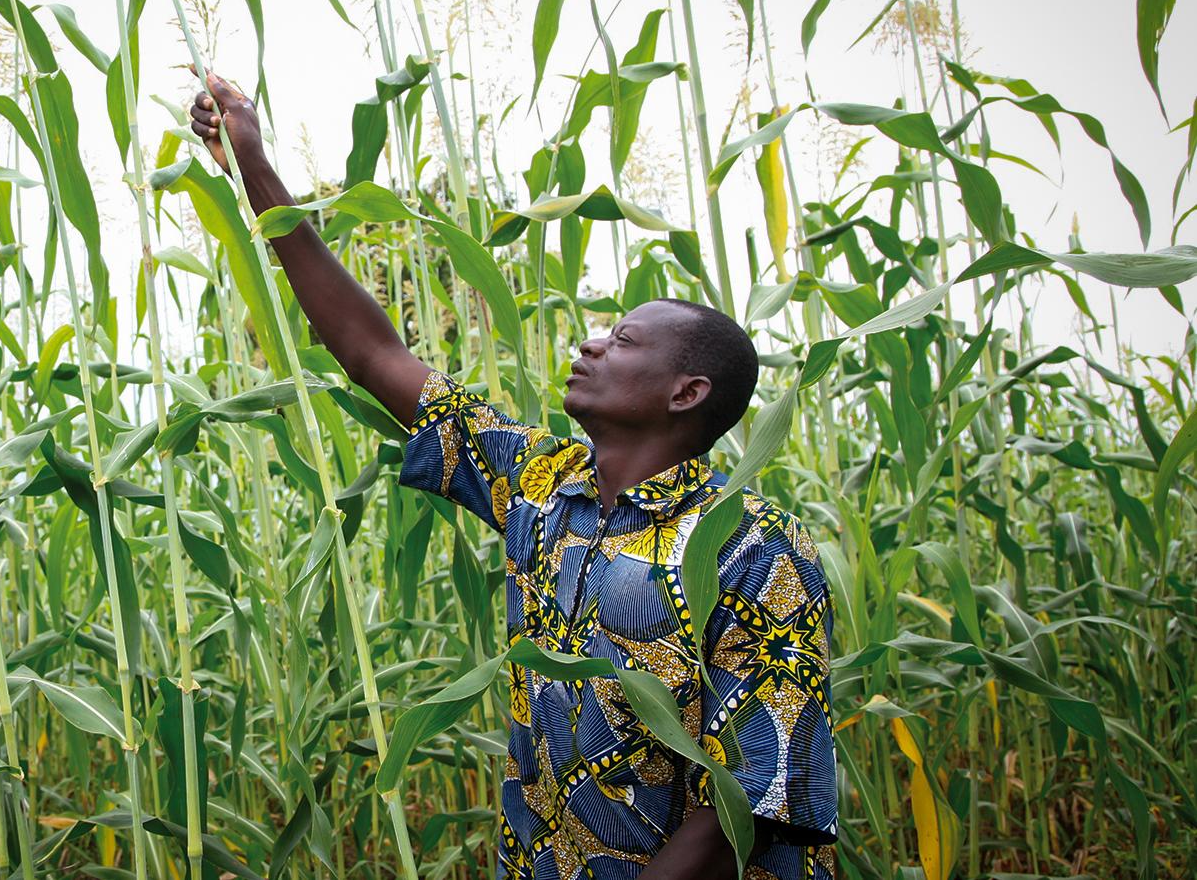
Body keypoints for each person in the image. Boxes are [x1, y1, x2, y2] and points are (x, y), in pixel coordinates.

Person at [188, 72, 838, 880]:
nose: (594, 344)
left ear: (687, 392)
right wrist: (254, 169)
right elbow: (373, 356)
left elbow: (757, 792)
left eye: (625, 341)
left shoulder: (751, 545)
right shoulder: (541, 484)